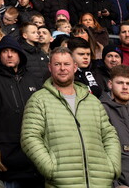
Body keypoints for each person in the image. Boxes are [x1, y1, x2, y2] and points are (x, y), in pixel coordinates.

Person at [20, 46, 121, 188]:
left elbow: (109, 135)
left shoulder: (91, 100)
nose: (62, 68)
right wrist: (51, 170)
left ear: (74, 67)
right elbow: (29, 137)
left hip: (100, 181)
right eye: (57, 64)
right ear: (50, 67)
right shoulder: (38, 99)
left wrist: (112, 167)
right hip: (62, 183)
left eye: (66, 64)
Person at [0, 34, 43, 185]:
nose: (9, 55)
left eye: (13, 51)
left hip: (36, 159)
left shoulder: (34, 80)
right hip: (7, 162)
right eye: (4, 51)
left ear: (20, 54)